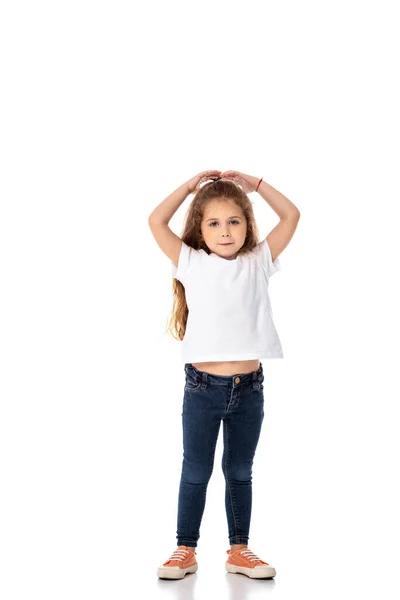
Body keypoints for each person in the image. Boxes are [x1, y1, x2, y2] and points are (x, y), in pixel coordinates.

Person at [148, 170, 300, 580]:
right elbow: (156, 222)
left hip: (249, 389)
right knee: (196, 470)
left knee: (239, 471)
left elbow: (291, 216)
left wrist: (258, 185)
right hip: (202, 388)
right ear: (200, 228)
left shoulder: (259, 261)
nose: (226, 230)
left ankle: (239, 550)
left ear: (248, 224)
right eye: (213, 223)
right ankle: (185, 549)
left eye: (234, 221)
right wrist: (187, 188)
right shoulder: (191, 262)